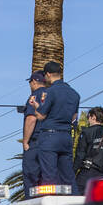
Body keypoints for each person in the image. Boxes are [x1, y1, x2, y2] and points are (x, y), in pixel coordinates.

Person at [29, 60, 81, 189]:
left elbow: (41, 116)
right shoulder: (74, 94)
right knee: (68, 176)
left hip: (50, 136)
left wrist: (35, 106)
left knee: (49, 177)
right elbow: (74, 117)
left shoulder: (50, 92)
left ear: (48, 74)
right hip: (66, 136)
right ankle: (74, 204)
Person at [74, 107, 103, 195]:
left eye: (88, 117)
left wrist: (73, 172)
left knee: (76, 199)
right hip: (101, 175)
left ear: (93, 117)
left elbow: (80, 154)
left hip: (86, 173)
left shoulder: (87, 132)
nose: (88, 120)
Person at [20, 70, 47, 198]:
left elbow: (31, 119)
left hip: (35, 143)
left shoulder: (34, 97)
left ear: (35, 81)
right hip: (50, 142)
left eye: (30, 82)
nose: (30, 84)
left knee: (31, 180)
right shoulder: (52, 96)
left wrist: (25, 142)